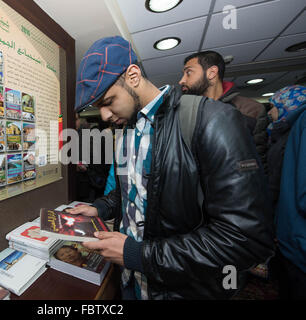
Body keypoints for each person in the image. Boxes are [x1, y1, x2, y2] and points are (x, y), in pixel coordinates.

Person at [66, 36, 274, 300]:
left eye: (108, 101)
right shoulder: (127, 130)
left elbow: (245, 238)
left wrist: (138, 255)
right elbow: (133, 193)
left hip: (180, 290)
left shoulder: (211, 120)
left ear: (132, 76)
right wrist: (101, 207)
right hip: (131, 280)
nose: (104, 115)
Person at [267, 85, 306, 299]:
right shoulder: (280, 132)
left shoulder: (298, 129)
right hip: (289, 234)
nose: (270, 112)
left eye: (273, 106)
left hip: (298, 239)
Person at [179, 51, 264, 133]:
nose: (181, 81)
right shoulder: (182, 112)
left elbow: (255, 146)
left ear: (212, 73)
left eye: (189, 72)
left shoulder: (251, 109)